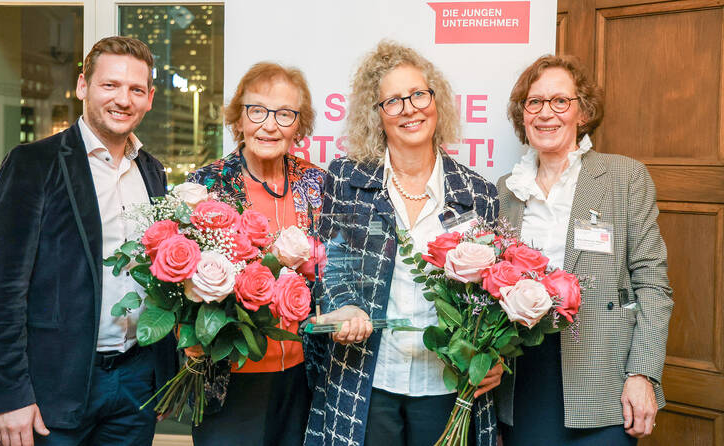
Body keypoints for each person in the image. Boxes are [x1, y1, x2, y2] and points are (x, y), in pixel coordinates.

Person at [0, 36, 176, 446]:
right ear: (83, 86)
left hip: (138, 383)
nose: (123, 99)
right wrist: (9, 395)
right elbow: (1, 290)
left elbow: (161, 279)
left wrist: (163, 372)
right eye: (110, 85)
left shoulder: (152, 171)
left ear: (150, 98)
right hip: (54, 387)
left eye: (136, 89)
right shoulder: (33, 164)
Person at [304, 41, 502, 446]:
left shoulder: (478, 191)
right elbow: (330, 263)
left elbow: (493, 292)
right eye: (393, 101)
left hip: (448, 383)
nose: (410, 109)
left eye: (418, 95)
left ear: (436, 100)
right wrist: (343, 307)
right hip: (368, 378)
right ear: (376, 116)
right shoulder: (347, 178)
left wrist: (492, 354)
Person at [495, 54, 673, 445]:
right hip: (526, 375)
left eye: (560, 101)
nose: (546, 113)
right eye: (535, 102)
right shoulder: (506, 190)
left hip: (605, 376)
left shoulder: (624, 178)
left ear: (583, 112)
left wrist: (643, 374)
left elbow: (653, 286)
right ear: (523, 114)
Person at [186, 62, 325, 446]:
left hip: (302, 376)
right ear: (239, 119)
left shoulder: (316, 183)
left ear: (299, 125)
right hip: (230, 373)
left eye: (284, 114)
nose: (269, 125)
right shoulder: (208, 185)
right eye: (257, 111)